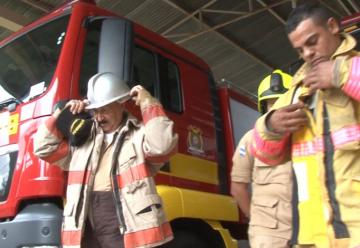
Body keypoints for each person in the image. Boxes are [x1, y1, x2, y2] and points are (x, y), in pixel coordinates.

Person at [250, 3, 360, 248]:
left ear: (332, 27)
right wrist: (271, 126)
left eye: (312, 42)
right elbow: (263, 154)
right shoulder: (298, 90)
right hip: (314, 236)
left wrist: (341, 74)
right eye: (300, 50)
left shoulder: (353, 67)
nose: (307, 54)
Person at [34, 72, 178, 248]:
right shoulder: (83, 139)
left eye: (104, 110)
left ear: (121, 104)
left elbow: (162, 145)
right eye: (95, 111)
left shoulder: (139, 134)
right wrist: (61, 112)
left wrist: (149, 104)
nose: (99, 117)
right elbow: (42, 148)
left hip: (125, 224)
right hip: (86, 228)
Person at [231, 70, 293, 248]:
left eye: (280, 102)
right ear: (263, 108)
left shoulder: (305, 135)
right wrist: (258, 223)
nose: (275, 109)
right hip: (268, 236)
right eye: (270, 104)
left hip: (306, 230)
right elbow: (238, 188)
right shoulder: (250, 139)